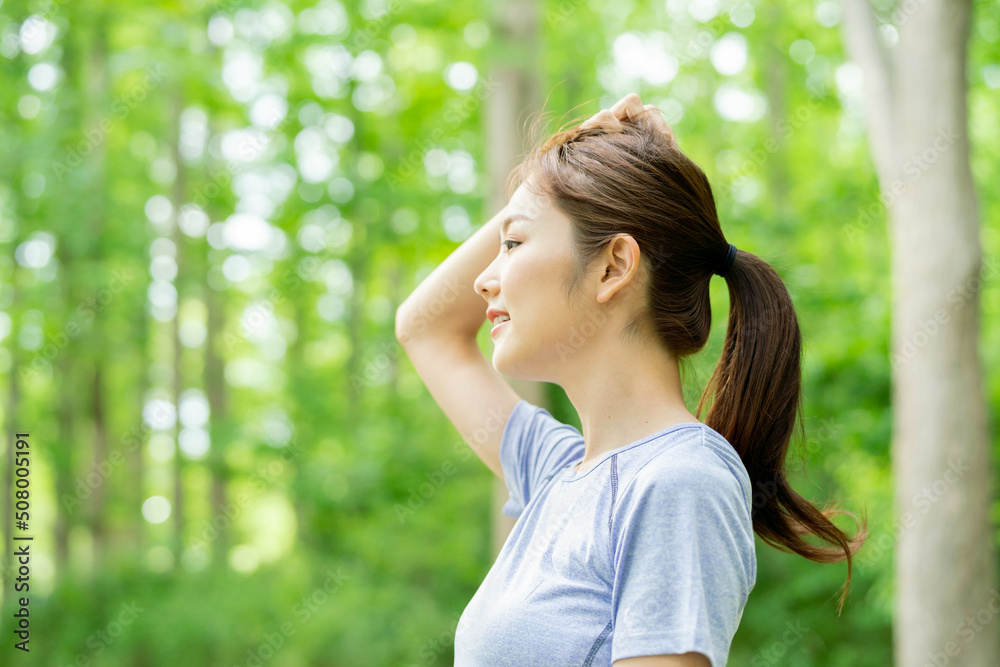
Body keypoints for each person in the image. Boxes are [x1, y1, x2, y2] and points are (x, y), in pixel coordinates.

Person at [395, 92, 867, 666]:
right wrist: (557, 178)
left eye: (513, 245)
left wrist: (561, 182)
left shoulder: (678, 480)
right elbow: (424, 327)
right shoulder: (555, 475)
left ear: (613, 266)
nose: (484, 282)